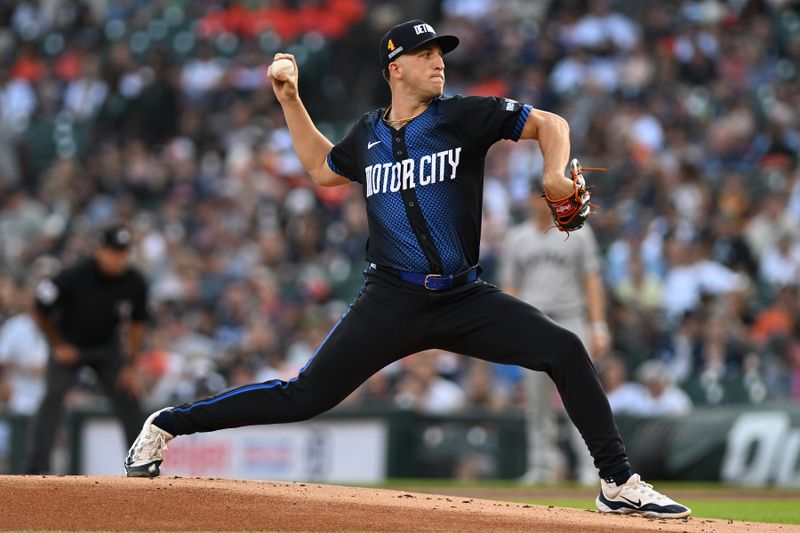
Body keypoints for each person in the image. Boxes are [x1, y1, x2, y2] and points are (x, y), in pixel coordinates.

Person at [125, 19, 690, 519]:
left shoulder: (463, 116)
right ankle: (169, 424)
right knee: (304, 397)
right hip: (390, 299)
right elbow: (323, 170)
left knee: (564, 349)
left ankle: (617, 483)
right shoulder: (368, 135)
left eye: (440, 53)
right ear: (396, 68)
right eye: (425, 55)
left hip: (465, 296)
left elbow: (550, 123)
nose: (438, 61)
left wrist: (554, 176)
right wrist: (290, 99)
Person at [501, 190, 610, 485]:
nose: (537, 202)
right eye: (535, 196)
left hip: (571, 319)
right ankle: (542, 466)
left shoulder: (577, 232)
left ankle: (592, 466)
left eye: (542, 196)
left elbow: (592, 280)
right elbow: (510, 285)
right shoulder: (517, 238)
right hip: (533, 320)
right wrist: (512, 324)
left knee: (582, 395)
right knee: (536, 402)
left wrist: (598, 325)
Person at [26, 223, 148, 474]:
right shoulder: (73, 275)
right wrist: (57, 344)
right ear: (99, 250)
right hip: (69, 345)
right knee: (52, 398)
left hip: (105, 349)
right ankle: (36, 470)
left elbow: (137, 324)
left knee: (129, 398)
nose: (118, 259)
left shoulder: (135, 282)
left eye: (123, 253)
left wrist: (131, 365)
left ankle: (141, 466)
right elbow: (39, 307)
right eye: (113, 252)